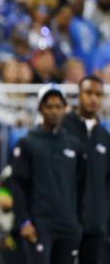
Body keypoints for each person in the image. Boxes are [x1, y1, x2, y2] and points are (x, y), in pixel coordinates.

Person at [10, 84, 84, 264]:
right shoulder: (27, 142)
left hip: (68, 226)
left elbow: (81, 184)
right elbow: (17, 184)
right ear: (40, 108)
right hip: (39, 225)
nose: (54, 111)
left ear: (65, 109)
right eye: (49, 106)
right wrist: (24, 222)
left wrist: (77, 222)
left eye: (58, 106)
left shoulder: (73, 145)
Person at [61, 75, 110, 264]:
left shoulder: (104, 137)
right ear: (78, 95)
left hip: (96, 227)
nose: (93, 98)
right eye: (88, 93)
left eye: (98, 94)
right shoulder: (62, 128)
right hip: (66, 225)